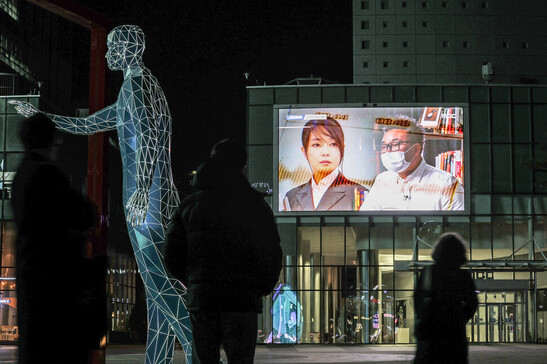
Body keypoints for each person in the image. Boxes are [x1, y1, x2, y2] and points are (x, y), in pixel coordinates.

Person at [10, 25, 192, 363]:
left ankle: (199, 351)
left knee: (162, 288)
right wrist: (39, 114)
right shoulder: (142, 86)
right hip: (163, 197)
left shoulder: (135, 88)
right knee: (156, 293)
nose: (107, 54)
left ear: (126, 50)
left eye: (111, 48)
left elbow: (150, 139)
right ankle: (159, 360)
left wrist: (139, 191)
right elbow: (87, 125)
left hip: (146, 202)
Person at [165, 139, 282, 364]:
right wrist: (260, 288)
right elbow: (270, 254)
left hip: (204, 300)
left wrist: (194, 281)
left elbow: (171, 255)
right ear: (242, 166)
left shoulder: (188, 206)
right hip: (242, 300)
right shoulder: (256, 206)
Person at [11, 113, 99, 364]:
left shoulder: (22, 175)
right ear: (51, 140)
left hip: (32, 275)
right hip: (54, 278)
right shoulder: (47, 174)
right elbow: (85, 213)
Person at [360, 116, 464, 210]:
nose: (388, 151)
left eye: (395, 144)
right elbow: (365, 223)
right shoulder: (382, 180)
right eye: (384, 146)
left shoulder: (447, 184)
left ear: (416, 149)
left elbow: (457, 227)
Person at [413, 232, 478, 364]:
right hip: (455, 335)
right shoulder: (464, 276)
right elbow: (472, 303)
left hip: (431, 334)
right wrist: (459, 318)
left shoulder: (428, 272)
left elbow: (417, 299)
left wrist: (424, 317)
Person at [282, 117, 368, 211]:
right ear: (304, 152)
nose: (325, 152)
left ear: (342, 149)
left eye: (333, 144)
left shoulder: (359, 194)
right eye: (317, 145)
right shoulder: (291, 197)